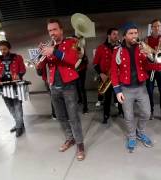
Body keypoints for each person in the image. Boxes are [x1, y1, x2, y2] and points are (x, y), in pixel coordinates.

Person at [39, 18, 85, 161]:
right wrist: (41, 57)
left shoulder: (71, 42)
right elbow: (42, 68)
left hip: (68, 86)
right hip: (54, 86)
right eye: (49, 30)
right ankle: (70, 138)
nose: (52, 33)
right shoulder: (49, 46)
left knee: (74, 117)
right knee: (61, 116)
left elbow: (72, 60)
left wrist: (54, 51)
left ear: (61, 30)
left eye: (54, 29)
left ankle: (80, 145)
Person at [111, 22, 157, 153]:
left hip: (142, 87)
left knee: (147, 113)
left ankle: (140, 132)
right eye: (131, 33)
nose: (134, 36)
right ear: (124, 36)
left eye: (136, 33)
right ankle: (131, 136)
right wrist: (117, 91)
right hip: (125, 89)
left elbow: (151, 67)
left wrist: (150, 56)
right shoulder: (117, 51)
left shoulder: (142, 48)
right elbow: (114, 72)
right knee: (129, 116)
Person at [0, 40, 27, 137]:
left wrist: (19, 75)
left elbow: (23, 70)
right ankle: (19, 123)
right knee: (10, 107)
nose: (2, 51)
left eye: (4, 49)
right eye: (1, 49)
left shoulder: (17, 57)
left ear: (9, 48)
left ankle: (19, 127)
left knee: (17, 106)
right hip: (3, 86)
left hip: (16, 86)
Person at [93, 28, 123, 123]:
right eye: (114, 34)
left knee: (120, 96)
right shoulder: (101, 48)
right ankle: (106, 115)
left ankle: (121, 111)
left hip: (118, 76)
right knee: (107, 97)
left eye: (117, 34)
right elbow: (95, 63)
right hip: (106, 76)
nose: (116, 36)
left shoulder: (120, 47)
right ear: (109, 36)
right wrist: (101, 74)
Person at [146, 19, 161, 123]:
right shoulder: (147, 40)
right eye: (155, 26)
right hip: (150, 69)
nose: (157, 28)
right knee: (149, 92)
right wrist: (152, 51)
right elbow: (146, 56)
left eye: (159, 26)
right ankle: (150, 111)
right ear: (151, 28)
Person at [75, 48, 89, 114]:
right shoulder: (73, 52)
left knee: (82, 89)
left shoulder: (83, 53)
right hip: (75, 74)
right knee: (77, 88)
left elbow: (85, 64)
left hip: (81, 74)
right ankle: (80, 100)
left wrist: (78, 69)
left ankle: (85, 108)